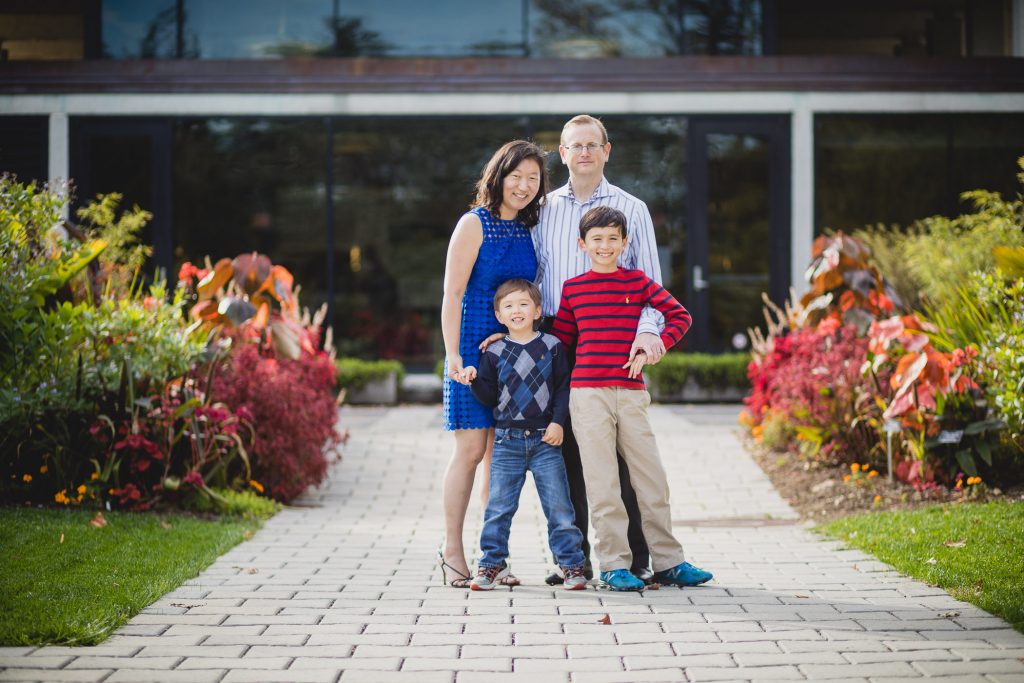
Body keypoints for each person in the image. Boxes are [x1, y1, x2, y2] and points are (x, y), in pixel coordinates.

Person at [551, 205, 714, 591]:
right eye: (597, 239)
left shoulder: (638, 283)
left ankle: (670, 562)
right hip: (587, 395)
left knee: (651, 479)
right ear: (582, 244)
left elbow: (681, 317)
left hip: (631, 392)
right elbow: (559, 344)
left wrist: (657, 341)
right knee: (602, 482)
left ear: (625, 242)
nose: (605, 245)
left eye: (613, 238)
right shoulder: (573, 289)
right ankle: (613, 564)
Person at [533, 114, 664, 585]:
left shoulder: (633, 208)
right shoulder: (542, 209)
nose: (584, 153)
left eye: (593, 145)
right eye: (575, 146)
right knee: (563, 450)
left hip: (613, 340)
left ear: (607, 151)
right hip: (556, 335)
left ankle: (635, 559)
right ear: (562, 154)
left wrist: (648, 336)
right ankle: (574, 560)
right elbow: (535, 278)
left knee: (624, 454)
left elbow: (652, 284)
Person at [438, 140, 548, 588]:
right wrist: (452, 355)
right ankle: (451, 550)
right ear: (498, 176)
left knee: (498, 457)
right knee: (469, 451)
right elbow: (452, 295)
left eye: (533, 179)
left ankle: (492, 558)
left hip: (513, 354)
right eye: (516, 176)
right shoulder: (473, 223)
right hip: (469, 349)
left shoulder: (528, 229)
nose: (523, 186)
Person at [459, 279, 587, 591]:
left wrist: (558, 422)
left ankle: (571, 565)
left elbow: (561, 389)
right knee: (499, 508)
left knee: (559, 508)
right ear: (499, 315)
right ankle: (490, 564)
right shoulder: (494, 352)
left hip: (546, 441)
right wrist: (474, 380)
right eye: (509, 306)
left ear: (537, 310)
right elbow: (489, 397)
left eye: (523, 304)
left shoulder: (552, 346)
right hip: (507, 443)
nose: (517, 311)